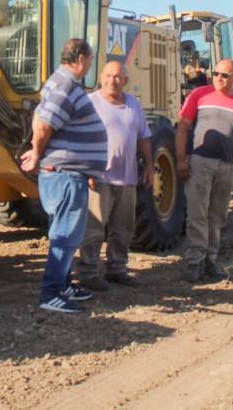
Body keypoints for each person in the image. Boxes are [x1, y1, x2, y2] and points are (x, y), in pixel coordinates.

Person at [20, 38, 108, 314]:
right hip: (65, 174)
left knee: (67, 233)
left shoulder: (58, 83)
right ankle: (51, 294)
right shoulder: (66, 84)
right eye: (91, 60)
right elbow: (44, 124)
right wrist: (36, 152)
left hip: (68, 173)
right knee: (65, 236)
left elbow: (38, 116)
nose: (92, 65)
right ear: (81, 59)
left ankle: (65, 285)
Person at [175, 58, 233, 282]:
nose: (219, 78)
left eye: (224, 75)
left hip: (227, 166)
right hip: (200, 162)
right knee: (197, 213)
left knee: (217, 216)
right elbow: (183, 127)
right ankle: (194, 262)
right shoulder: (199, 95)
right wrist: (181, 160)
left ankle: (209, 260)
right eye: (216, 73)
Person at [76, 61, 153, 291]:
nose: (113, 80)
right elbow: (80, 138)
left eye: (118, 77)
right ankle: (88, 272)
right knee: (94, 228)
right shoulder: (91, 103)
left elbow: (143, 137)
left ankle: (116, 269)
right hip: (99, 178)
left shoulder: (133, 104)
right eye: (108, 75)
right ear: (101, 77)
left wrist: (149, 165)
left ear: (126, 81)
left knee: (124, 228)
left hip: (127, 178)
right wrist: (86, 168)